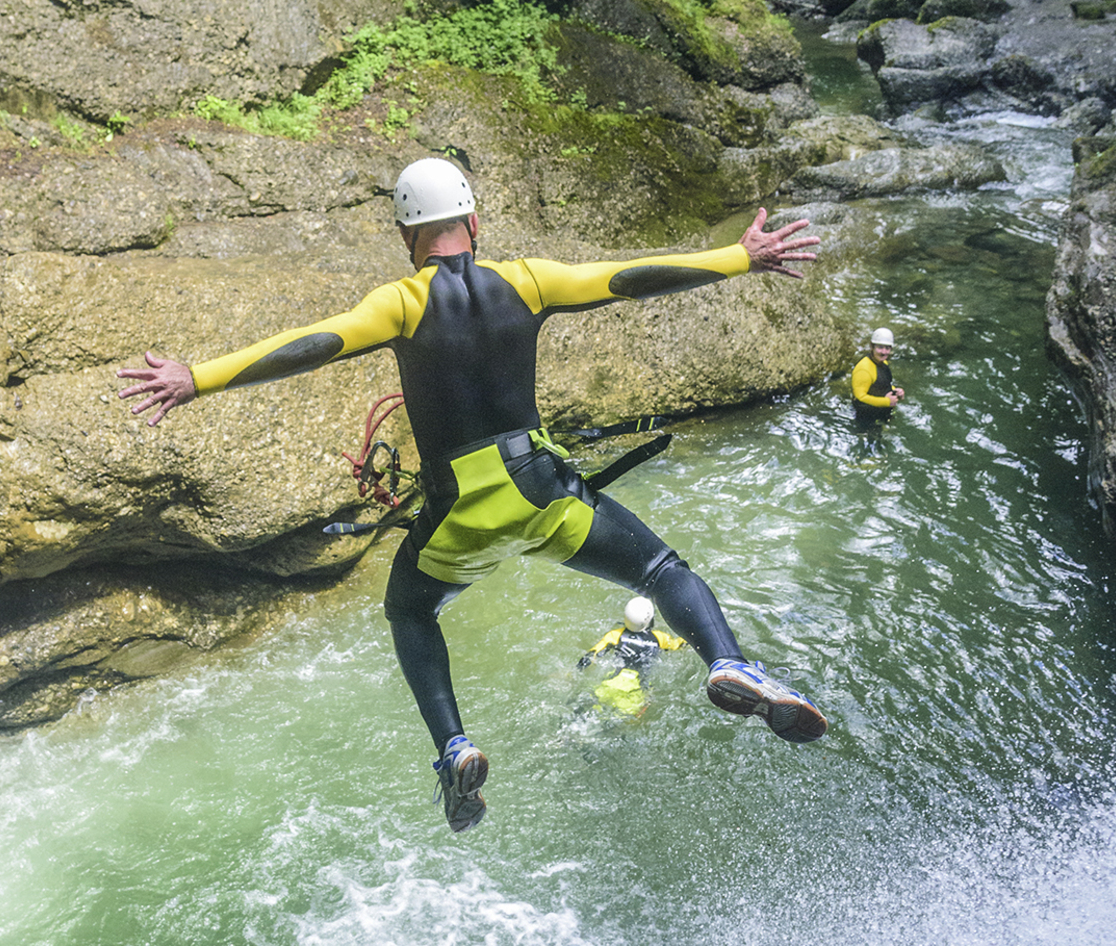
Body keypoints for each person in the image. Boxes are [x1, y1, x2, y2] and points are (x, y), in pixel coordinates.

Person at [116, 157, 829, 834]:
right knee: (659, 571)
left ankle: (455, 746)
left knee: (410, 611)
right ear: (474, 221)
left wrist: (197, 378)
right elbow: (629, 278)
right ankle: (728, 661)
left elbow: (311, 344)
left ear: (406, 237)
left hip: (459, 513)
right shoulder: (527, 280)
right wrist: (740, 256)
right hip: (543, 496)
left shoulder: (398, 303)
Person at [577, 596, 688, 717]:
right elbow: (678, 644)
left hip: (610, 685)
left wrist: (571, 673)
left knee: (587, 716)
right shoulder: (660, 638)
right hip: (636, 692)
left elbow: (591, 656)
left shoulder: (615, 635)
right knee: (616, 726)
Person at [851, 327, 905, 429]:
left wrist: (896, 391)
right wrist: (887, 402)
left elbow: (882, 384)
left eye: (887, 348)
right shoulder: (864, 370)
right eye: (880, 347)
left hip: (880, 410)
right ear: (872, 346)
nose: (884, 352)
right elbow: (860, 397)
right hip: (865, 416)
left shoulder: (882, 362)